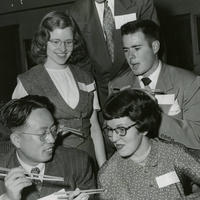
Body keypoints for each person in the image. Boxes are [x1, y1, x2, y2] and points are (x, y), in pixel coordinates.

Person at [12, 11, 106, 167]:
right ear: (43, 42)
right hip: (52, 164)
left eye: (68, 42)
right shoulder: (28, 81)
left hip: (89, 160)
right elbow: (17, 132)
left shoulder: (86, 77)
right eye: (55, 42)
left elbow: (95, 128)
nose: (63, 48)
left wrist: (103, 167)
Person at [108, 19, 200, 150]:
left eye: (137, 48)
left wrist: (153, 115)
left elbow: (197, 138)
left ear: (155, 47)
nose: (130, 57)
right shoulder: (116, 85)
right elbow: (109, 140)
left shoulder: (189, 82)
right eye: (126, 50)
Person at [98, 89, 200, 200]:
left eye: (121, 129)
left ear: (144, 128)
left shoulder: (172, 154)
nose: (114, 138)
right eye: (110, 130)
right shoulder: (108, 174)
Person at [0, 95, 96, 200]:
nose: (52, 140)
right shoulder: (3, 169)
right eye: (42, 134)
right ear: (17, 140)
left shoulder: (78, 161)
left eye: (53, 130)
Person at [66, 0, 159, 107]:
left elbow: (153, 50)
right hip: (102, 93)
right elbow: (82, 64)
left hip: (140, 86)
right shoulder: (75, 13)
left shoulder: (140, 3)